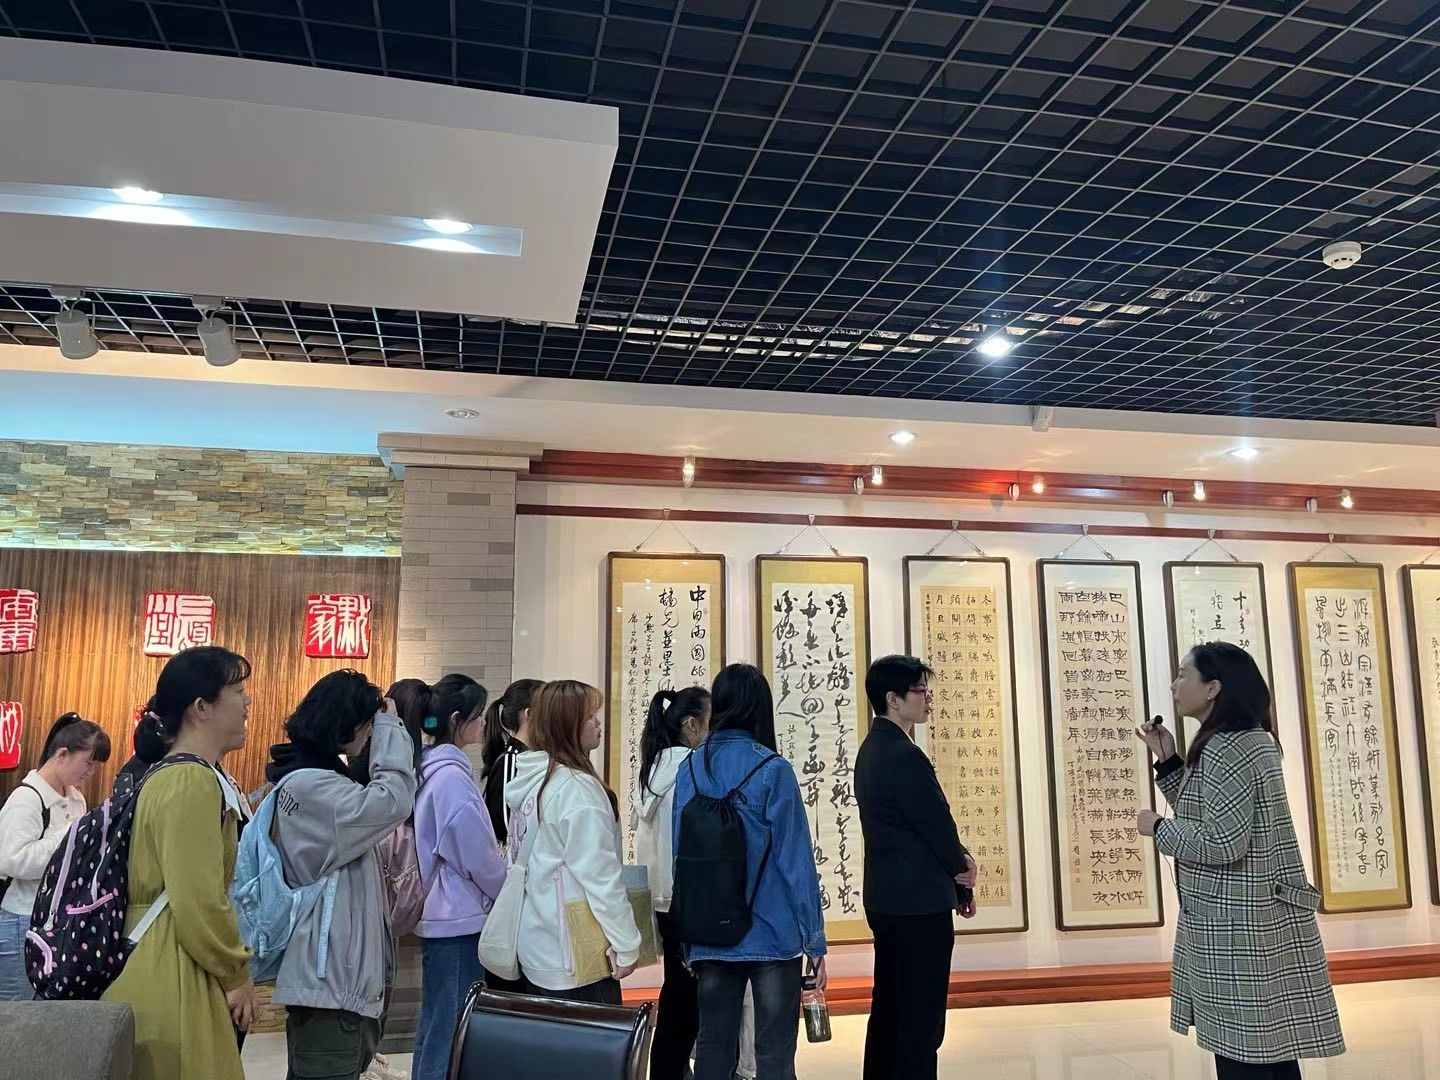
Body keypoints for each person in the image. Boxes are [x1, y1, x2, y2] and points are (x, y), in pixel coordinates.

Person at [1138, 642, 1345, 1080]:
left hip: (1237, 923)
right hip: (1249, 917)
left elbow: (1222, 842)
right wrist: (1169, 761)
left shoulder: (1228, 747)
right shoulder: (1245, 739)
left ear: (1213, 688)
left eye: (1183, 675)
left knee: (1244, 1056)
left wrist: (1157, 828)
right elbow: (1209, 812)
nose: (1174, 685)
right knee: (1266, 1049)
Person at [102, 647, 255, 1080]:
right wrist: (235, 973)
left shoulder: (170, 774)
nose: (246, 702)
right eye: (237, 691)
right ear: (201, 707)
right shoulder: (190, 780)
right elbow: (198, 900)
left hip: (159, 959)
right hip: (176, 970)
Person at [672, 663, 826, 1080]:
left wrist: (687, 936)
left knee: (712, 1044)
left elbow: (681, 857)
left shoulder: (690, 769)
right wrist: (814, 940)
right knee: (774, 1051)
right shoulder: (773, 769)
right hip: (772, 935)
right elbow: (796, 861)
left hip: (710, 933)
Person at [266, 670, 417, 1080]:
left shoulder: (308, 778)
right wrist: (391, 727)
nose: (370, 735)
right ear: (347, 724)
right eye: (368, 725)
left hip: (333, 984)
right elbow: (394, 799)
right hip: (331, 988)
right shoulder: (313, 788)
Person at [856, 655, 977, 1080]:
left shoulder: (872, 749)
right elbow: (935, 824)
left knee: (890, 1010)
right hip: (918, 905)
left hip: (887, 899)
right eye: (921, 691)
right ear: (893, 699)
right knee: (921, 1020)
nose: (929, 699)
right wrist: (963, 871)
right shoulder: (903, 755)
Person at [505, 679, 642, 1005]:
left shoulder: (532, 781)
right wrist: (627, 944)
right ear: (567, 725)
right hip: (577, 957)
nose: (598, 723)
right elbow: (601, 878)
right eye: (590, 716)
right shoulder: (576, 790)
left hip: (540, 947)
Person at [411, 674, 508, 1080]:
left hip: (444, 917)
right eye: (478, 715)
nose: (484, 723)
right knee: (451, 1029)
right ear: (456, 719)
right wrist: (507, 888)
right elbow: (478, 857)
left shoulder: (430, 769)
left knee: (437, 1025)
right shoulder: (451, 779)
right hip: (457, 920)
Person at [0, 713, 110, 1000]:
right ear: (62, 754)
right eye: (88, 762)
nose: (91, 772)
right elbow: (12, 860)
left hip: (56, 918)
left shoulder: (76, 798)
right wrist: (67, 837)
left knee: (42, 1007)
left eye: (96, 766)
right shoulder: (27, 799)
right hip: (20, 917)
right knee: (15, 1008)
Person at [632, 687, 711, 1080]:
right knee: (685, 1004)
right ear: (691, 725)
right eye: (712, 723)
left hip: (662, 900)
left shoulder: (655, 769)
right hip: (687, 900)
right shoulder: (690, 770)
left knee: (678, 994)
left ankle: (670, 1068)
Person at [479, 678, 544, 846]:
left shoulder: (534, 756)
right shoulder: (511, 760)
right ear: (529, 714)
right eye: (548, 708)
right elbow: (505, 827)